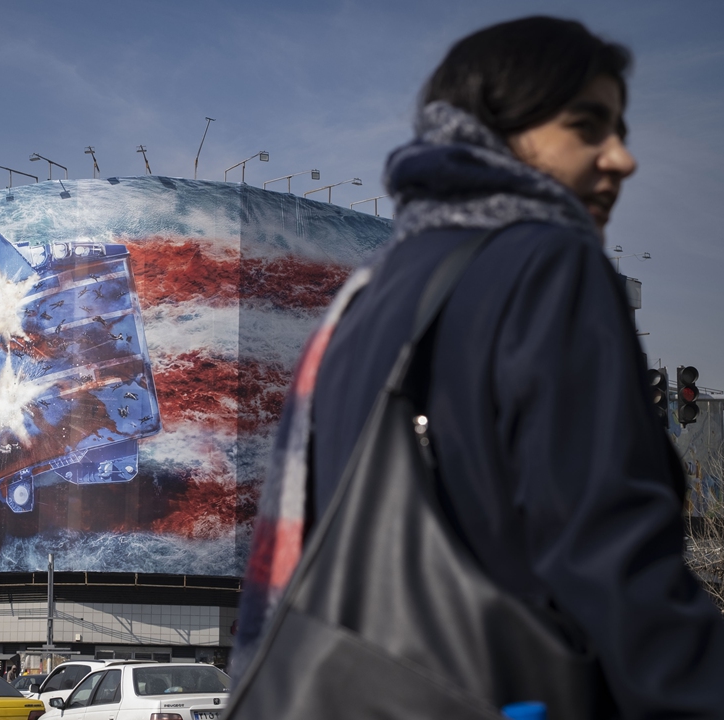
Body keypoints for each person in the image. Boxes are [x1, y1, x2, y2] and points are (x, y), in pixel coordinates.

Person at [236, 15, 724, 717]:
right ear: (505, 127)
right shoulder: (548, 262)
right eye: (589, 127)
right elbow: (613, 554)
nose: (621, 158)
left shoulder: (368, 294)